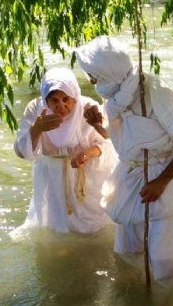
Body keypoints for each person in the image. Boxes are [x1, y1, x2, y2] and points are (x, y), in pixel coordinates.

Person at [75, 36, 173, 280]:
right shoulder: (113, 96)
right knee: (128, 252)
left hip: (158, 179)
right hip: (128, 177)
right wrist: (98, 125)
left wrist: (161, 182)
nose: (91, 81)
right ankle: (133, 305)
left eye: (94, 75)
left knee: (165, 261)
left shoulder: (156, 91)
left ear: (110, 70)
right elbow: (125, 142)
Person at [13, 68, 115, 234]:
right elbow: (20, 151)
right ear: (46, 100)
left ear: (74, 96)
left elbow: (108, 143)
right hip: (52, 177)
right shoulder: (36, 110)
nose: (61, 106)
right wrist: (36, 129)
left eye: (66, 99)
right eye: (54, 101)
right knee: (57, 226)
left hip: (88, 174)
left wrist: (87, 154)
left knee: (94, 227)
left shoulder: (88, 109)